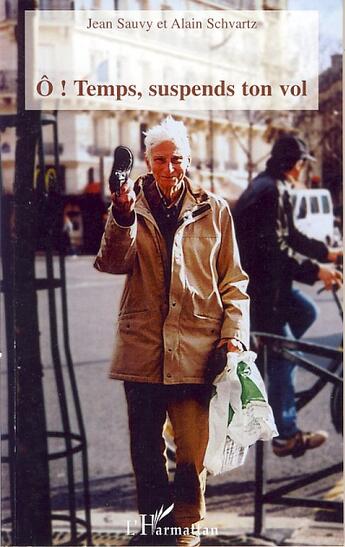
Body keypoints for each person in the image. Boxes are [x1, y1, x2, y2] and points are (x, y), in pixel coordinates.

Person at [94, 116, 249, 546]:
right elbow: (111, 263)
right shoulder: (131, 206)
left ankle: (186, 528)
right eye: (160, 159)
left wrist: (232, 334)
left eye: (176, 159)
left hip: (195, 346)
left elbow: (233, 280)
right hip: (141, 347)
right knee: (145, 453)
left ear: (187, 160)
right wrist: (121, 216)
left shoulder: (214, 208)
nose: (169, 168)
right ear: (147, 162)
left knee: (191, 450)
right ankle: (155, 531)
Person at [233, 135, 342, 458]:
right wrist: (316, 271)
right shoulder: (271, 191)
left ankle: (267, 354)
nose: (302, 168)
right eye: (301, 162)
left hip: (265, 286)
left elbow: (289, 235)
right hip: (261, 291)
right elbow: (275, 251)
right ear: (293, 163)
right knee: (287, 349)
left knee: (306, 312)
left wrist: (329, 254)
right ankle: (287, 435)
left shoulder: (271, 186)